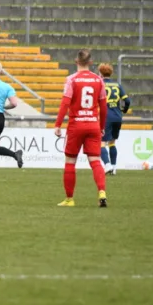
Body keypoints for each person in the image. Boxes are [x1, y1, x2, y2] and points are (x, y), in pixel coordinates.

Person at [54, 50, 109, 208]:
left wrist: (58, 124)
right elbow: (103, 107)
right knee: (95, 161)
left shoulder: (71, 80)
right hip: (93, 124)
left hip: (76, 124)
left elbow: (65, 103)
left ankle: (70, 199)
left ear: (75, 61)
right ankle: (102, 192)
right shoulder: (99, 80)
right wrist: (102, 126)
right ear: (91, 63)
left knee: (70, 161)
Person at [98, 63, 130, 175]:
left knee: (101, 143)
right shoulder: (117, 85)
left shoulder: (100, 84)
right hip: (117, 117)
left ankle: (107, 165)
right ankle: (114, 168)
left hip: (106, 117)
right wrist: (124, 110)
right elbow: (127, 101)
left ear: (100, 73)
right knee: (112, 142)